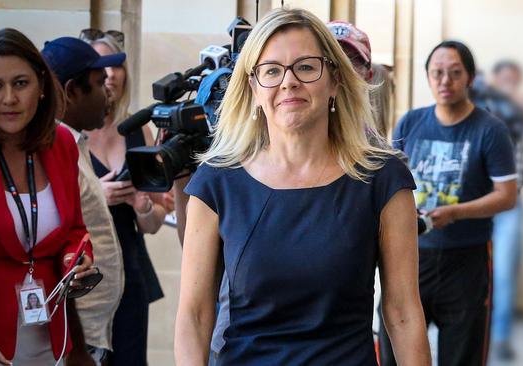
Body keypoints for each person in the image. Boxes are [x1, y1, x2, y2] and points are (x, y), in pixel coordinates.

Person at [175, 8, 431, 366]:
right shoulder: (217, 183)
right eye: (271, 70)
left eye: (306, 67)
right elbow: (194, 315)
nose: (288, 82)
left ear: (335, 81)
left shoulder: (383, 179)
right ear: (253, 87)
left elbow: (403, 312)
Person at [0, 28, 96, 366]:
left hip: (50, 335)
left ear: (42, 85)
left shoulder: (61, 142)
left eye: (20, 83)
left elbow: (75, 229)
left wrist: (76, 259)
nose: (9, 99)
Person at [390, 40, 518, 366]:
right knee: (397, 355)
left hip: (466, 262)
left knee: (462, 356)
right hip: (411, 258)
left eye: (455, 73)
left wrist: (455, 212)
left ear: (470, 78)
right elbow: (393, 184)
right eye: (437, 73)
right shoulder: (409, 123)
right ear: (428, 77)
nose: (445, 81)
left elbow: (507, 195)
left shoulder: (490, 130)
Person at [81, 30, 167, 366]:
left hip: (130, 268)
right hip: (86, 269)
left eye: (117, 68)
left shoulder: (137, 131)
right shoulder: (65, 132)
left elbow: (154, 223)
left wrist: (141, 204)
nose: (111, 75)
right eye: (102, 67)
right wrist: (95, 196)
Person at [42, 36, 127, 366]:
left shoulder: (72, 144)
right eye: (97, 84)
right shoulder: (51, 148)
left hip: (91, 334)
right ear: (71, 91)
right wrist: (75, 344)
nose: (107, 93)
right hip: (68, 341)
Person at [487, 60, 523, 361]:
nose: (508, 84)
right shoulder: (482, 104)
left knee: (505, 273)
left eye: (513, 80)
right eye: (503, 78)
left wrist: (508, 92)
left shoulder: (518, 111)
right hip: (477, 199)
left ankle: (502, 338)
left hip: (511, 203)